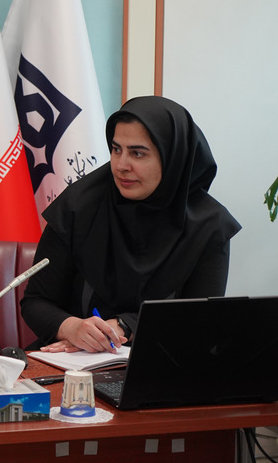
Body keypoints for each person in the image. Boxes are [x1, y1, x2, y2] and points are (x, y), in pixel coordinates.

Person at [20, 96, 240, 353]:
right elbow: (36, 302)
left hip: (164, 361)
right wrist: (73, 328)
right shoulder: (78, 206)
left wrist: (126, 325)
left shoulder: (209, 225)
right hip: (74, 362)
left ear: (172, 157)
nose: (121, 166)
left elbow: (201, 321)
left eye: (137, 153)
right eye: (116, 150)